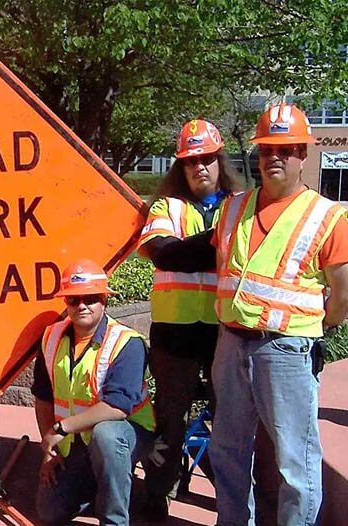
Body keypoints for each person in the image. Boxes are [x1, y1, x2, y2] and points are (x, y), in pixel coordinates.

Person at [209, 103, 348, 526]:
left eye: (286, 149)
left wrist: (314, 326)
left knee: (296, 463)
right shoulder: (233, 208)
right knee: (227, 451)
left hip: (287, 350)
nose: (275, 157)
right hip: (231, 344)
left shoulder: (328, 217)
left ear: (303, 154)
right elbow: (225, 270)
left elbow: (343, 295)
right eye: (267, 148)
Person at [137, 119, 242, 519]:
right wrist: (218, 241)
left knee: (231, 427)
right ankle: (157, 499)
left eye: (207, 159)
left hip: (223, 333)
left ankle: (231, 505)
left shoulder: (239, 204)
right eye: (190, 160)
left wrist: (191, 248)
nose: (200, 167)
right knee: (169, 424)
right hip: (174, 334)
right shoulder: (167, 207)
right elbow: (166, 254)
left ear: (220, 161)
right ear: (180, 167)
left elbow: (184, 252)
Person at [32, 259, 155, 526]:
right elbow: (43, 397)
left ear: (104, 301)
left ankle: (114, 518)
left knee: (106, 436)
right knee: (50, 510)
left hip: (127, 432)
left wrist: (60, 429)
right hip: (77, 439)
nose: (82, 305)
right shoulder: (51, 338)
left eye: (91, 298)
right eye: (74, 300)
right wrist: (48, 449)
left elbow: (117, 407)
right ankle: (105, 486)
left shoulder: (126, 343)